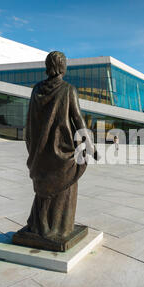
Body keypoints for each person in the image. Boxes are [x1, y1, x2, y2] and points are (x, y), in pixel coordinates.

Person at [17, 51, 98, 245]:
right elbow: (77, 118)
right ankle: (59, 228)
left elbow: (31, 120)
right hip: (62, 150)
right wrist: (89, 144)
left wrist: (33, 146)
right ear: (62, 66)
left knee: (44, 188)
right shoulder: (68, 89)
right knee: (64, 187)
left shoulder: (37, 89)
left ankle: (40, 226)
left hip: (41, 150)